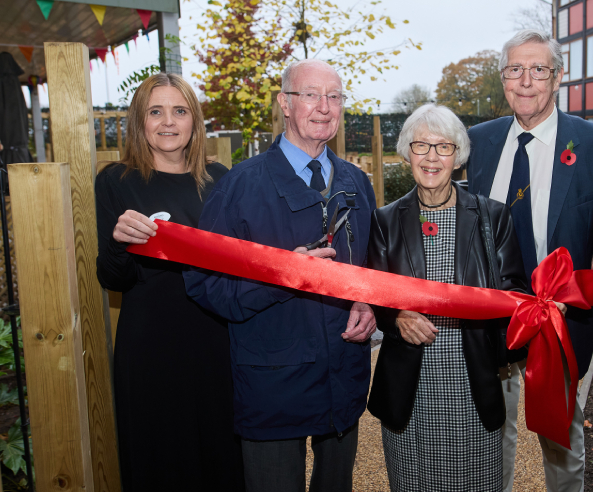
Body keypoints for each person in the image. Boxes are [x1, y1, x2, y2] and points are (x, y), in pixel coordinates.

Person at [183, 59, 377, 492]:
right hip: (272, 383)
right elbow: (204, 283)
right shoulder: (239, 187)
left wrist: (368, 302)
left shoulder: (356, 183)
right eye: (310, 95)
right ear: (285, 104)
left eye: (334, 96)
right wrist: (283, 276)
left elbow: (373, 266)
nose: (324, 107)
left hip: (342, 377)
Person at [466, 29, 593, 492]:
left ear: (557, 78)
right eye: (516, 69)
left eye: (539, 69)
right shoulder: (477, 141)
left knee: (561, 438)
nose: (526, 80)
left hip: (564, 316)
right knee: (492, 429)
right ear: (503, 79)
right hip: (492, 316)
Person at [367, 104, 549, 492]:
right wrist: (397, 316)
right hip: (410, 386)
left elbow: (515, 293)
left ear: (458, 156)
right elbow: (375, 294)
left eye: (444, 147)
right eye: (422, 146)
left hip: (473, 378)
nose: (432, 157)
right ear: (406, 153)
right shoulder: (384, 220)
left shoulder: (492, 216)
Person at [95, 73, 243, 491]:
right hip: (150, 350)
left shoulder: (219, 178)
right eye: (154, 111)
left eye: (179, 111)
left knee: (221, 456)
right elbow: (113, 278)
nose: (168, 122)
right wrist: (119, 243)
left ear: (194, 120)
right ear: (139, 121)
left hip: (216, 341)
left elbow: (241, 260)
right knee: (160, 460)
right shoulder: (116, 181)